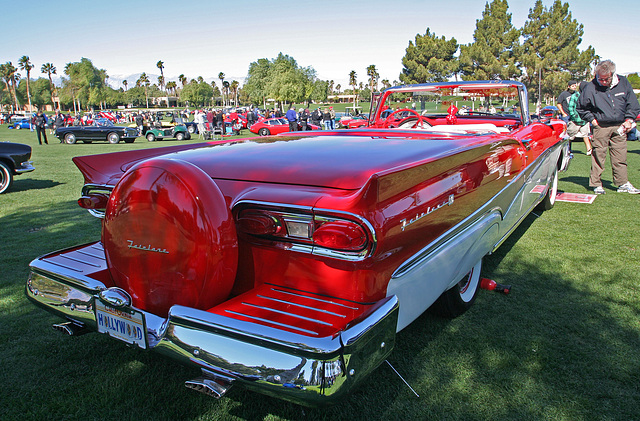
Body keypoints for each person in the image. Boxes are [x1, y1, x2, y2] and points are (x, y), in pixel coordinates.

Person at [577, 59, 640, 194]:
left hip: (620, 126)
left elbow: (632, 104)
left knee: (620, 157)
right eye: (600, 79)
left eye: (606, 79)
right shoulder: (591, 87)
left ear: (612, 75)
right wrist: (592, 120)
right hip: (601, 127)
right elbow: (581, 107)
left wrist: (629, 119)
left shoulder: (623, 83)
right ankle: (596, 184)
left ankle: (622, 183)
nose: (603, 82)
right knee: (598, 155)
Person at [566, 81, 592, 155]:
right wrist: (575, 118)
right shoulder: (575, 96)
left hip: (585, 120)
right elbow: (571, 108)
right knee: (570, 136)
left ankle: (589, 150)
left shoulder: (588, 96)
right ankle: (567, 149)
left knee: (586, 135)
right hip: (575, 121)